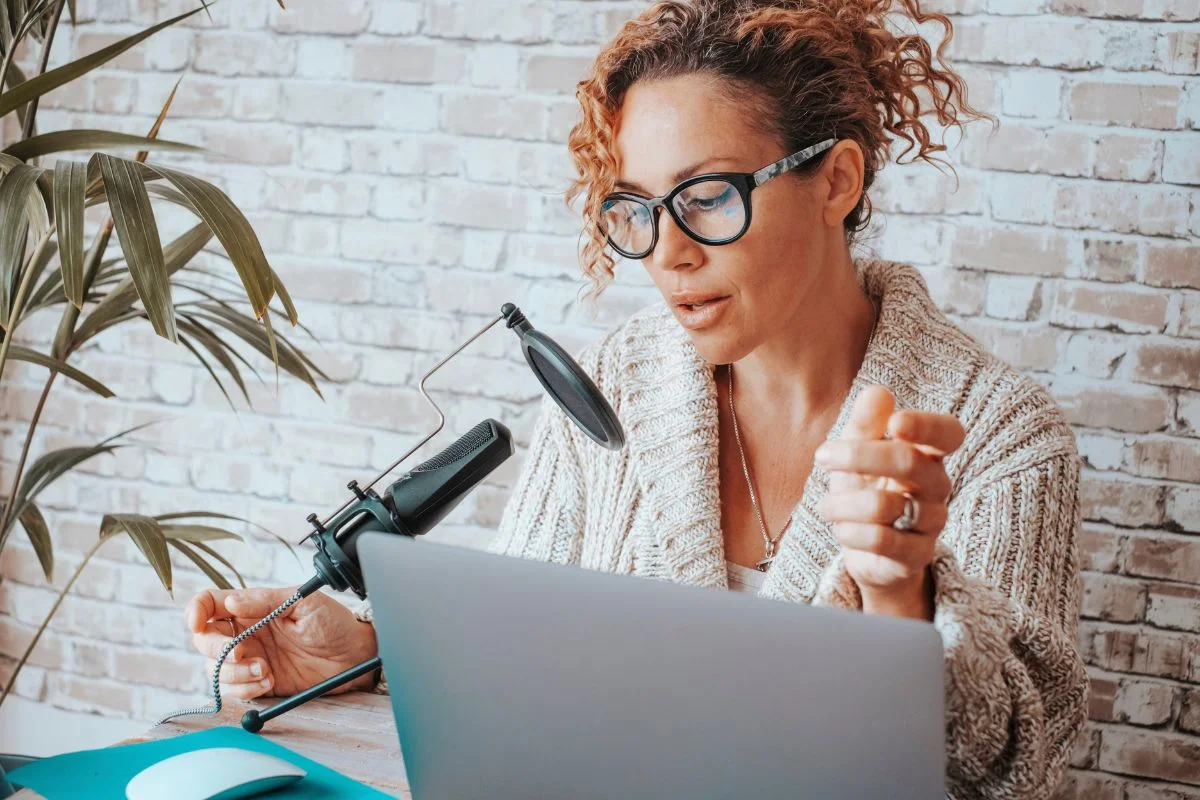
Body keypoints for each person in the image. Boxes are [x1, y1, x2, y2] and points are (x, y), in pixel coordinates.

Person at [185, 0, 1089, 796]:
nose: (668, 254)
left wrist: (906, 596)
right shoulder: (616, 383)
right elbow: (524, 651)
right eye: (637, 210)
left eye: (705, 197)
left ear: (836, 181)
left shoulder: (1002, 435)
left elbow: (1017, 773)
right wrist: (365, 656)